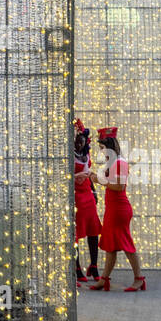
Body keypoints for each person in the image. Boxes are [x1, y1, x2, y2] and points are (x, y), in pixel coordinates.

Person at [87, 126, 145, 292]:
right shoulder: (113, 163)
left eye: (103, 148)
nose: (102, 152)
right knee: (111, 246)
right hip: (113, 209)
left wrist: (98, 181)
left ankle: (139, 278)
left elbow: (119, 187)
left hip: (119, 209)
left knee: (126, 245)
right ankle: (104, 279)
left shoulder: (120, 163)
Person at [72, 119, 101, 283]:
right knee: (75, 233)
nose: (79, 145)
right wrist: (76, 177)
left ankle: (94, 265)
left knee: (93, 230)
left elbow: (89, 173)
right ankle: (76, 268)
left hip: (87, 194)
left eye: (82, 142)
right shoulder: (69, 155)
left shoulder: (86, 154)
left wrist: (94, 191)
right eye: (77, 142)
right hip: (75, 196)